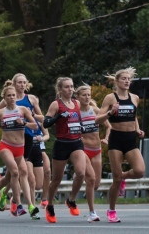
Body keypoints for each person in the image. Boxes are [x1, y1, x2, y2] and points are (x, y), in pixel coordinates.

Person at [96, 68, 146, 223]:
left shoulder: (135, 98)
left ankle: (124, 177)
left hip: (130, 139)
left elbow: (133, 116)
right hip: (116, 140)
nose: (126, 81)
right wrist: (111, 113)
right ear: (116, 81)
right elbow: (97, 119)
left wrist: (138, 129)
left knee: (140, 171)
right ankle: (111, 210)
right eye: (123, 79)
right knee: (115, 179)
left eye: (128, 79)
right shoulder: (110, 98)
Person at [42, 77, 91, 224]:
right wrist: (58, 117)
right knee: (56, 179)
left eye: (72, 86)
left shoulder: (76, 103)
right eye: (67, 87)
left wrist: (81, 127)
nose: (70, 89)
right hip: (61, 144)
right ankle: (49, 206)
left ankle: (71, 200)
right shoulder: (56, 104)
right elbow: (46, 122)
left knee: (81, 173)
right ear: (60, 90)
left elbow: (78, 119)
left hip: (76, 143)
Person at [0, 83, 38, 218]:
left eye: (13, 95)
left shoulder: (23, 110)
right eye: (9, 96)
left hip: (20, 147)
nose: (12, 98)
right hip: (5, 146)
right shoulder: (0, 113)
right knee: (16, 172)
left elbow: (34, 126)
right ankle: (20, 205)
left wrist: (24, 123)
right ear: (4, 98)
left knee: (15, 175)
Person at [71, 84, 109, 222]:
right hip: (83, 149)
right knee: (91, 179)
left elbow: (108, 126)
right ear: (78, 97)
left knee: (96, 184)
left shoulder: (95, 110)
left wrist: (106, 137)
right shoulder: (75, 113)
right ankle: (92, 213)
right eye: (84, 95)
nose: (87, 97)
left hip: (97, 150)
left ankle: (78, 174)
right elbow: (70, 129)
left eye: (88, 95)